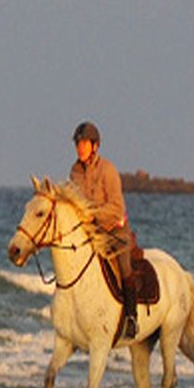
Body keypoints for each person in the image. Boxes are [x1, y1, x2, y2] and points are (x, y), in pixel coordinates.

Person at [69, 121, 138, 340]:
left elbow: (117, 207)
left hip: (114, 229)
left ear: (95, 146)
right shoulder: (75, 171)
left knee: (124, 267)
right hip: (90, 231)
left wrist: (94, 214)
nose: (80, 148)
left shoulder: (108, 170)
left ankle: (131, 318)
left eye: (84, 144)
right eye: (78, 144)